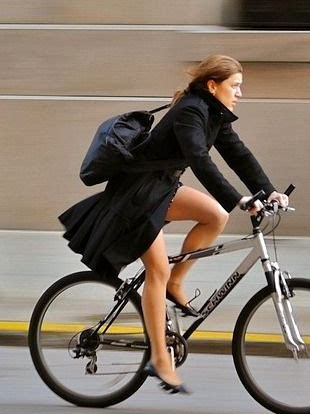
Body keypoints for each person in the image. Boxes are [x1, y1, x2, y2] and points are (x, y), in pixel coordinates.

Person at [59, 54, 288, 394]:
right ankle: (159, 358)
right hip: (136, 198)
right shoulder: (191, 111)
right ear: (213, 85)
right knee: (157, 271)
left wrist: (269, 191)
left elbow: (239, 154)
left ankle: (175, 284)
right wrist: (241, 199)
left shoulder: (214, 114)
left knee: (216, 216)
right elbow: (200, 159)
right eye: (235, 86)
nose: (240, 93)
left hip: (162, 188)